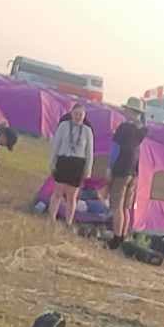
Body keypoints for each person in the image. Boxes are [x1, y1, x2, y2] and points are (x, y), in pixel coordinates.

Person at [47, 102, 95, 230]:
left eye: (80, 115)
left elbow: (89, 152)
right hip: (63, 161)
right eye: (76, 114)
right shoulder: (63, 126)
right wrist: (52, 162)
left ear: (84, 116)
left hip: (77, 164)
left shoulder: (87, 131)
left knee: (71, 196)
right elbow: (55, 145)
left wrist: (88, 170)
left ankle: (68, 222)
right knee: (57, 193)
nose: (78, 117)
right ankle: (51, 219)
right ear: (71, 114)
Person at [106, 98, 147, 248]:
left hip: (121, 169)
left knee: (117, 205)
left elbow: (115, 149)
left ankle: (116, 239)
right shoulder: (143, 130)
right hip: (134, 172)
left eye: (127, 109)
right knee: (126, 207)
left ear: (131, 111)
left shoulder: (124, 128)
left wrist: (109, 167)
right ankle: (123, 236)